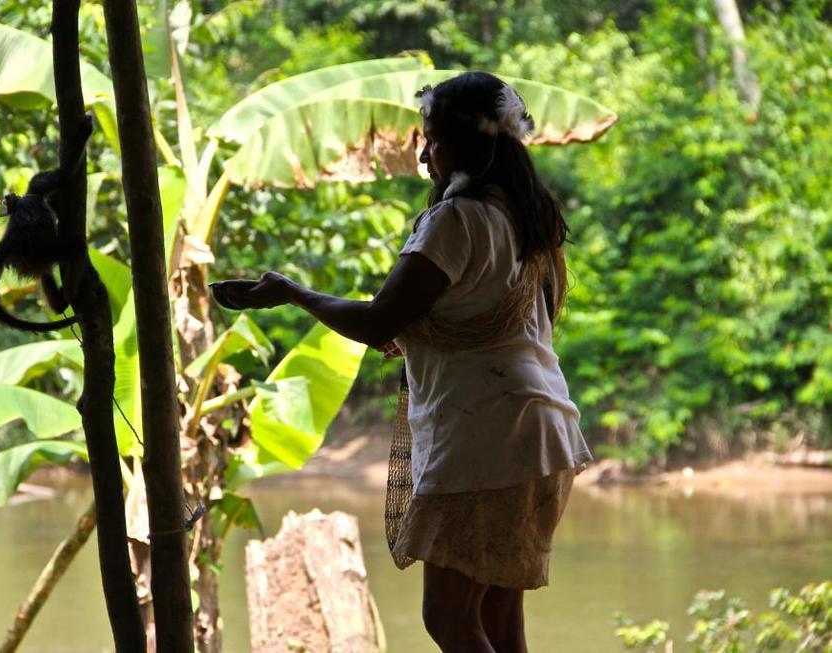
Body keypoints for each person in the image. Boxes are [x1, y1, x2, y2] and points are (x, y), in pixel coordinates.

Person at [211, 71, 592, 653]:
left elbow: (376, 322)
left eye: (434, 139)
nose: (423, 154)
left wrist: (291, 291)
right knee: (499, 616)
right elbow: (478, 321)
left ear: (470, 144)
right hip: (545, 434)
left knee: (448, 617)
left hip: (483, 439)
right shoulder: (526, 218)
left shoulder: (457, 219)